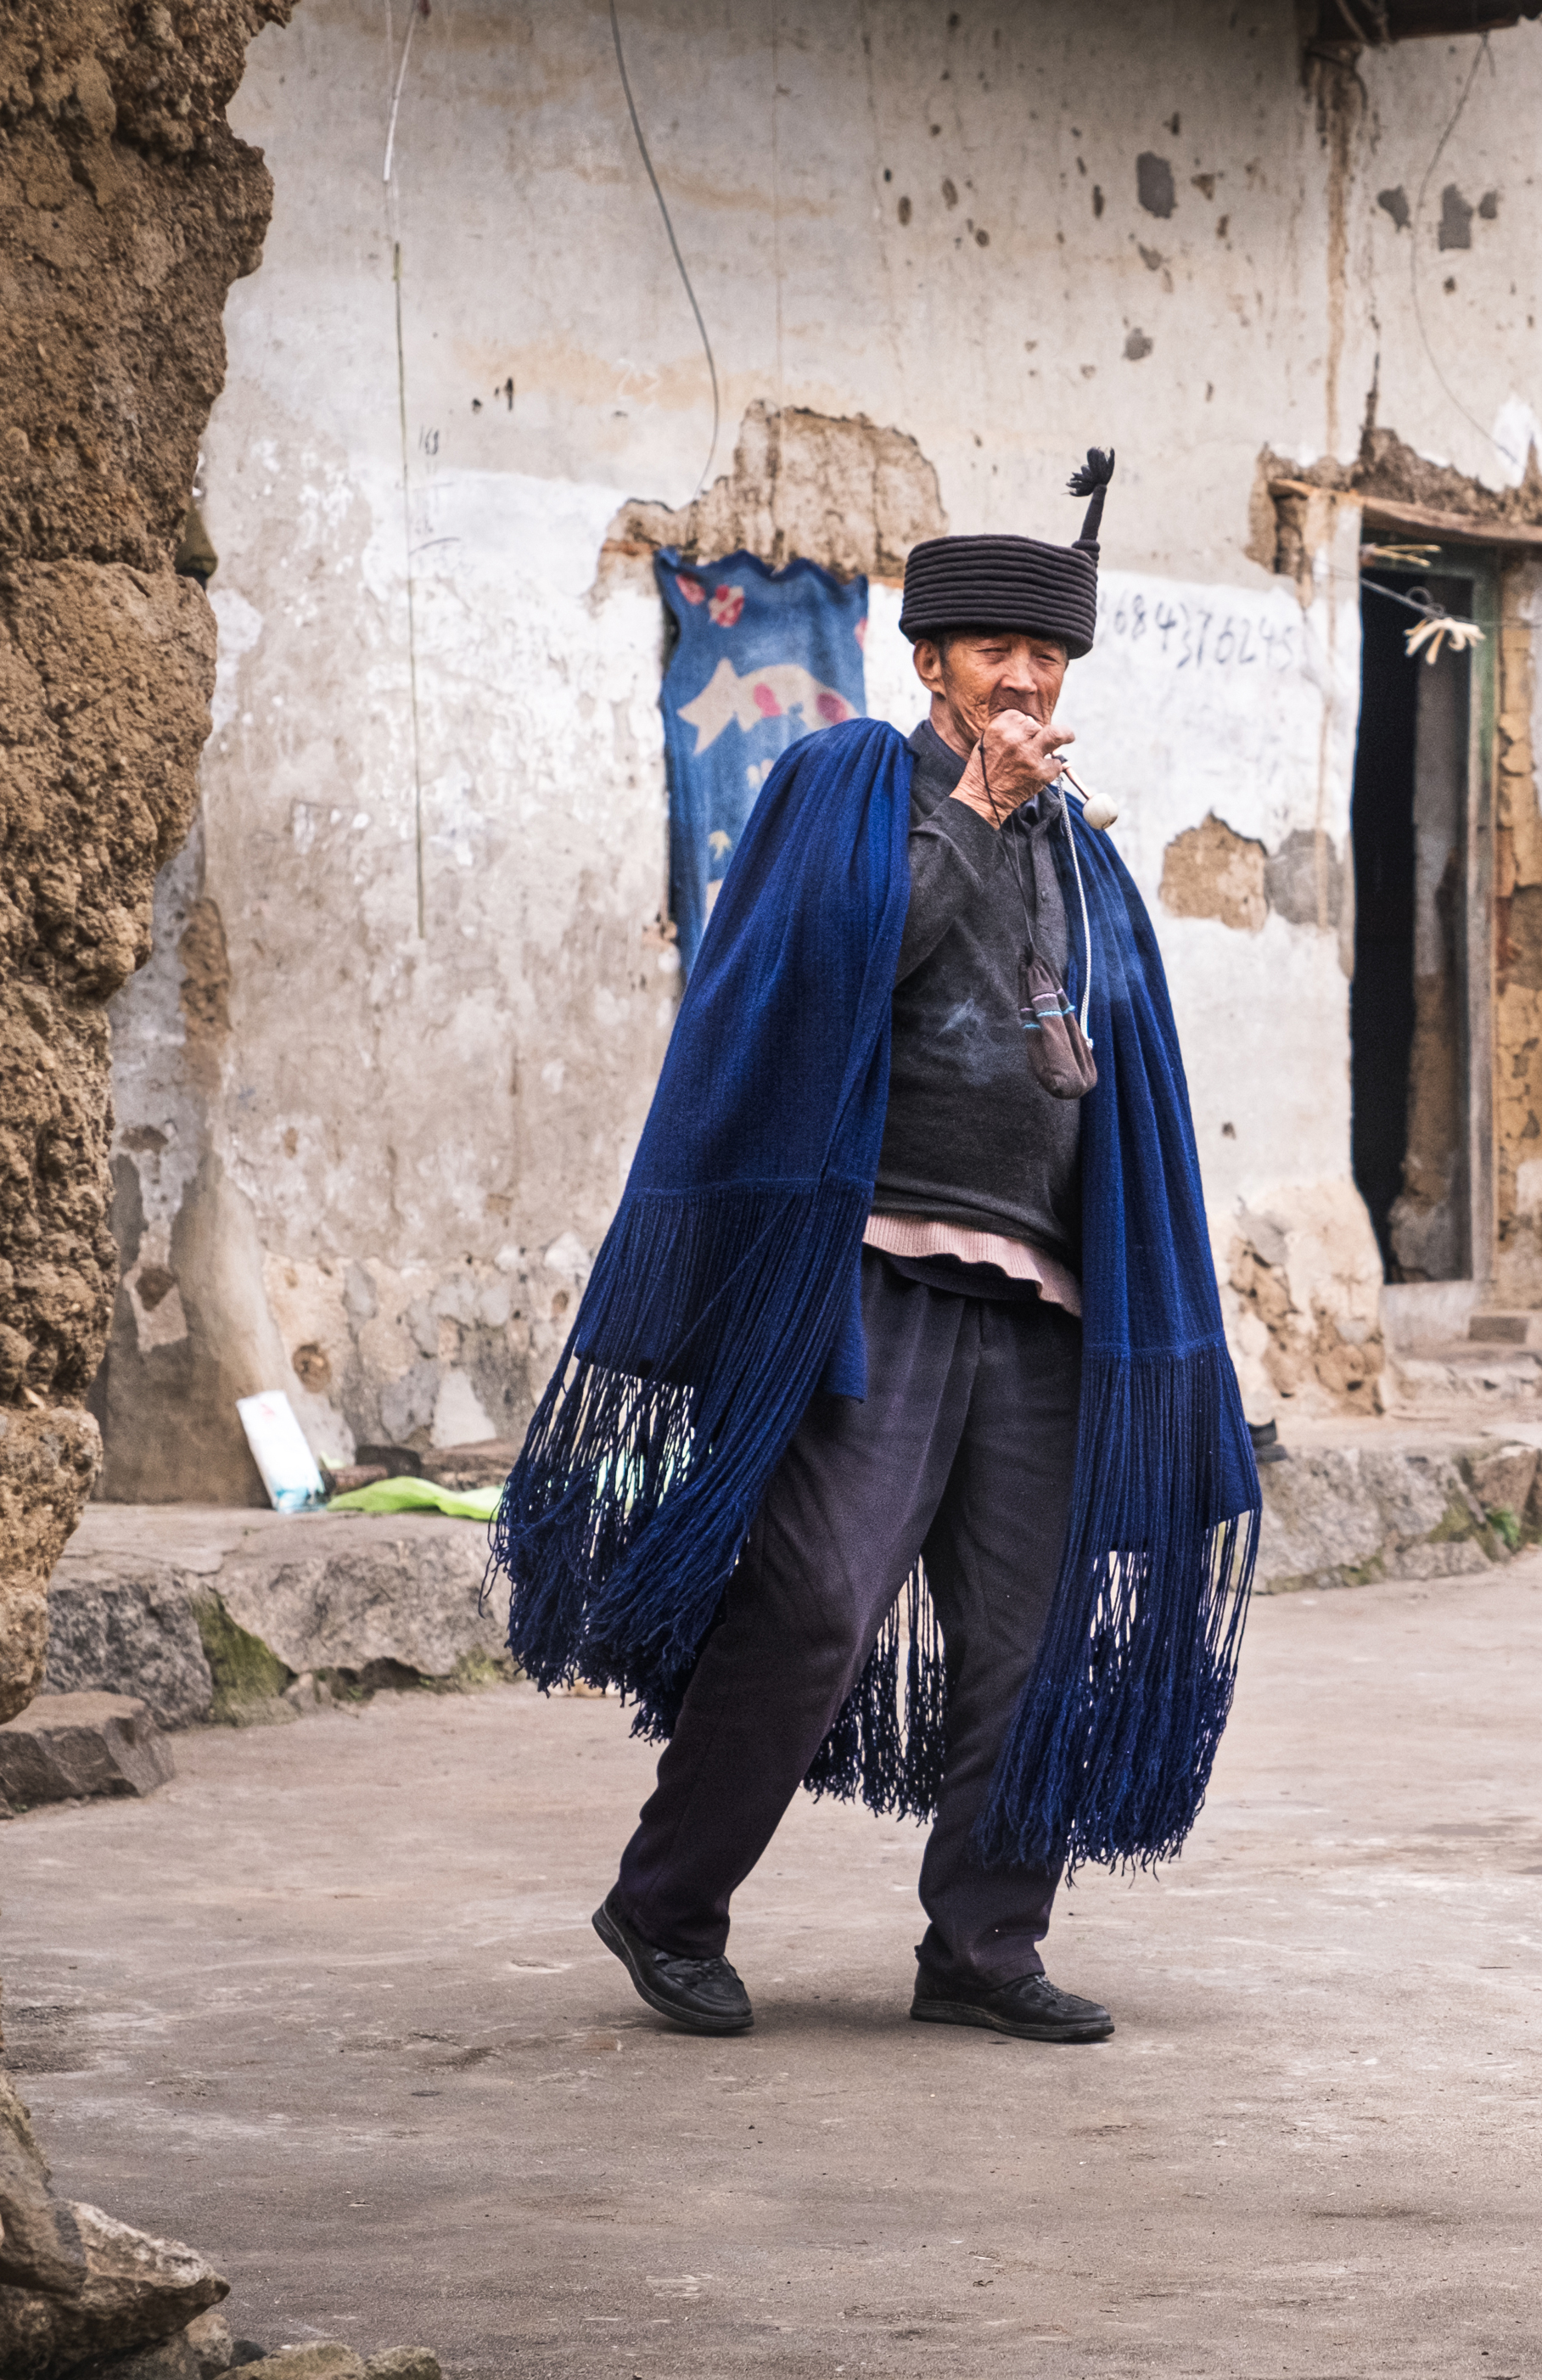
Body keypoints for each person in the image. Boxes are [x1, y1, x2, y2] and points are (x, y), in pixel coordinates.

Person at [496, 453, 1260, 2046]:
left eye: (1046, 658)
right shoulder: (852, 784)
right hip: (872, 1280)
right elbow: (823, 969)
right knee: (819, 1603)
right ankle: (667, 1903)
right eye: (995, 653)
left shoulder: (1086, 853)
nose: (1027, 679)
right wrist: (975, 818)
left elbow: (1118, 1073)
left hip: (1047, 1304)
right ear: (931, 664)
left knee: (1034, 1627)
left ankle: (981, 1944)